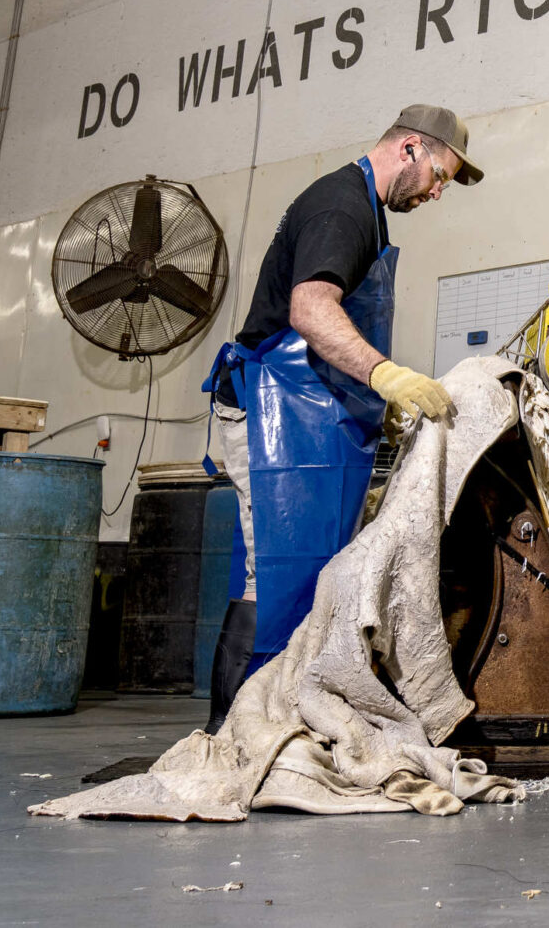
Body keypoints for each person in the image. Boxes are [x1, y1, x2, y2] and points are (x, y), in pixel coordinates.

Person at [200, 105, 481, 730]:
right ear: (409, 148)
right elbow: (310, 309)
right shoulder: (342, 208)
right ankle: (232, 734)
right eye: (439, 174)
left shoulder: (364, 209)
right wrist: (386, 373)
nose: (438, 193)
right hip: (276, 411)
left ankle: (283, 718)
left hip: (310, 414)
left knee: (307, 577)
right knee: (271, 575)